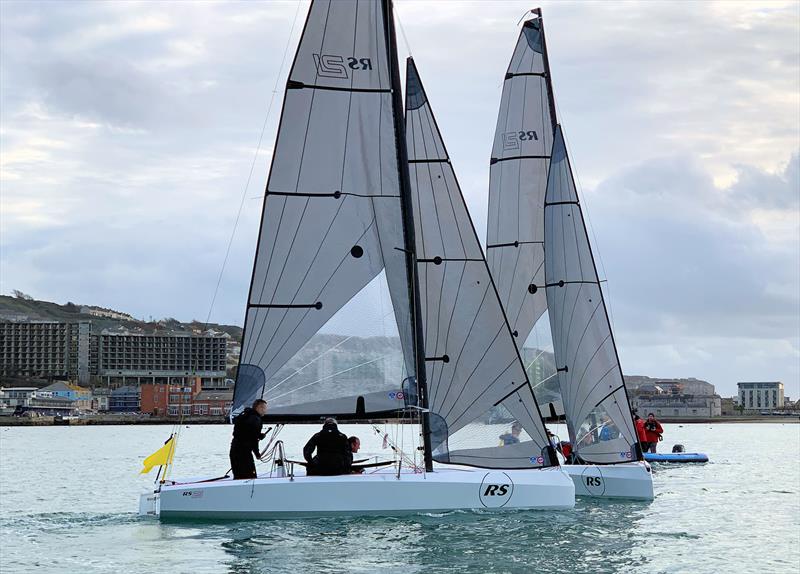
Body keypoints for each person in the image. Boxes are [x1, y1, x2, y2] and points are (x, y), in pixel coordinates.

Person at [229, 399, 268, 480]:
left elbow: (244, 432)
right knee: (250, 477)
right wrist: (257, 454)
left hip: (234, 450)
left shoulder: (245, 415)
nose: (265, 411)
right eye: (264, 408)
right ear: (259, 408)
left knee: (238, 476)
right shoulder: (256, 419)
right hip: (244, 453)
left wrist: (259, 435)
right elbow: (253, 439)